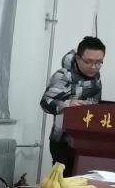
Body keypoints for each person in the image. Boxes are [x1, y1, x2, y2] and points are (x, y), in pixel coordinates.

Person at [40, 36, 105, 177]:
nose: (94, 67)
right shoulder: (64, 75)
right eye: (89, 61)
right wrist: (66, 105)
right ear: (78, 58)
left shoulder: (96, 76)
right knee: (64, 182)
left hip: (87, 140)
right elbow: (45, 102)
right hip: (63, 141)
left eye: (99, 62)